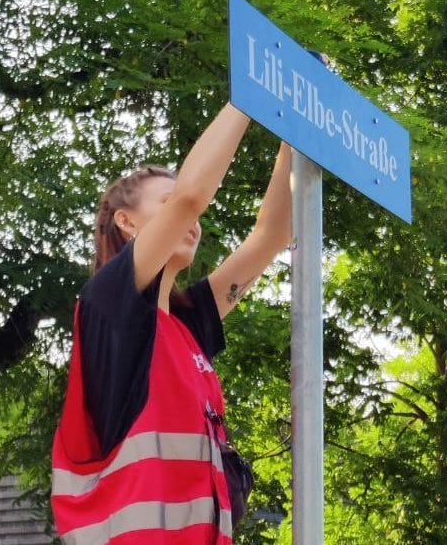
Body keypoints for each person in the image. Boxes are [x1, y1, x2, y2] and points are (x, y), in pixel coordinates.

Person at [50, 103, 291, 544]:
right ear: (126, 221)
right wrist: (251, 91)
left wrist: (296, 125)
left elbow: (272, 235)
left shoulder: (188, 324)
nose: (192, 222)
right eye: (167, 203)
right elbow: (191, 197)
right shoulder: (109, 303)